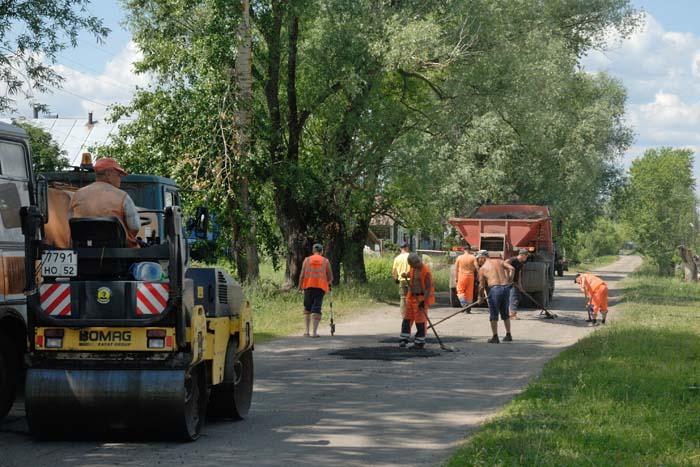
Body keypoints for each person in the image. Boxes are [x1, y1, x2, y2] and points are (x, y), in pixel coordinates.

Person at [68, 157, 141, 248]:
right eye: (118, 175)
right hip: (119, 253)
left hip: (83, 252)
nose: (120, 179)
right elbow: (135, 227)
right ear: (108, 173)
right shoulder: (123, 197)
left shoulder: (77, 195)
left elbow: (70, 223)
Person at [476, 250, 515, 343]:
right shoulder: (499, 261)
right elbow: (512, 269)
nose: (478, 261)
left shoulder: (483, 268)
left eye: (478, 259)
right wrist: (509, 280)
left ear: (482, 257)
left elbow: (481, 286)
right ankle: (508, 335)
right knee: (505, 313)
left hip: (495, 290)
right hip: (506, 288)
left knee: (493, 314)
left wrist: (480, 297)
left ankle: (495, 337)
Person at [399, 253, 435, 349]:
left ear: (417, 261)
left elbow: (428, 288)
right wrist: (405, 275)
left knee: (420, 321)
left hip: (421, 298)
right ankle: (404, 339)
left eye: (414, 264)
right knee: (407, 318)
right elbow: (411, 276)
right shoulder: (413, 268)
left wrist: (423, 301)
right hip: (411, 297)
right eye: (411, 265)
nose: (413, 266)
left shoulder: (426, 271)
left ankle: (419, 342)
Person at [299, 243, 333, 337]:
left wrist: (299, 287)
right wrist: (328, 283)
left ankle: (306, 332)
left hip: (308, 287)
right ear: (322, 251)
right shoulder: (325, 261)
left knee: (307, 308)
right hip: (320, 288)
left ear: (313, 251)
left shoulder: (307, 260)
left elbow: (302, 275)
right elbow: (330, 277)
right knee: (316, 309)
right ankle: (314, 332)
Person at [505, 249, 529, 319]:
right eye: (526, 256)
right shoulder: (513, 259)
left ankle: (510, 313)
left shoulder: (521, 263)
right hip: (509, 281)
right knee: (514, 297)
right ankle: (512, 315)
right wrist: (511, 269)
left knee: (518, 297)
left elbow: (519, 275)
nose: (526, 258)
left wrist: (520, 286)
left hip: (514, 282)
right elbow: (504, 263)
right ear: (522, 255)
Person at [391, 241, 411, 314]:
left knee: (403, 297)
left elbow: (394, 271)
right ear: (407, 248)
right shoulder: (410, 256)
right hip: (410, 280)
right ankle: (410, 313)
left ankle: (403, 314)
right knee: (411, 297)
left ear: (400, 248)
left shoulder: (397, 258)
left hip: (401, 280)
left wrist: (396, 279)